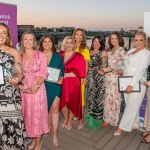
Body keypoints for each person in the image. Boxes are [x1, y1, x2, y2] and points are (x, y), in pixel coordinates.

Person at [114, 31, 150, 136]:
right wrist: (122, 70)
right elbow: (126, 65)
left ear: (145, 41)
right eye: (136, 40)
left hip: (137, 83)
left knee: (131, 106)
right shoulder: (131, 50)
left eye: (141, 40)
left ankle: (121, 127)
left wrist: (132, 84)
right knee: (131, 105)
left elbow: (140, 70)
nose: (138, 42)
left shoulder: (146, 53)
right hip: (126, 80)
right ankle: (135, 124)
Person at [20, 31, 49, 149]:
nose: (28, 41)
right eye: (25, 39)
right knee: (28, 116)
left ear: (34, 42)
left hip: (37, 91)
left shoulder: (40, 54)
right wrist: (20, 85)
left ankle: (38, 143)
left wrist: (36, 85)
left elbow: (44, 73)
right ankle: (33, 141)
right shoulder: (19, 56)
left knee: (37, 116)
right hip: (24, 92)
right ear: (22, 42)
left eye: (30, 39)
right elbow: (16, 74)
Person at [0, 23, 27, 149]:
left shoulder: (13, 52)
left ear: (7, 35)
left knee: (13, 128)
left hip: (10, 96)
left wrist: (17, 78)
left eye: (4, 32)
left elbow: (19, 72)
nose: (1, 35)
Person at [39, 35, 64, 147]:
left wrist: (61, 77)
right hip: (42, 86)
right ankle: (47, 127)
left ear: (53, 43)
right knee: (45, 109)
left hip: (55, 85)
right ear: (41, 44)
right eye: (45, 42)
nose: (47, 44)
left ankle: (55, 134)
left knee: (54, 109)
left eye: (49, 42)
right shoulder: (37, 55)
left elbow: (62, 69)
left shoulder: (57, 56)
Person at [59, 36, 86, 130]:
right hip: (61, 83)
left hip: (73, 83)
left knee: (72, 103)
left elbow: (81, 73)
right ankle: (66, 118)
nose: (69, 45)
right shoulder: (60, 54)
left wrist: (66, 75)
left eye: (71, 43)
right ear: (64, 44)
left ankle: (70, 121)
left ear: (73, 44)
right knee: (62, 103)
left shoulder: (79, 56)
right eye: (67, 43)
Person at [102, 31, 126, 127]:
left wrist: (111, 69)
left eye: (116, 38)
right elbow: (105, 65)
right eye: (112, 38)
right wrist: (104, 62)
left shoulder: (121, 50)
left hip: (116, 79)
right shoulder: (109, 51)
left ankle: (113, 120)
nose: (114, 40)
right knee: (108, 98)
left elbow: (124, 68)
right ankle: (107, 118)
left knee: (115, 99)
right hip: (108, 78)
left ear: (119, 39)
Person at [86, 36, 107, 129]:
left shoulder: (103, 53)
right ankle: (91, 117)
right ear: (92, 42)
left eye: (99, 42)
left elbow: (104, 66)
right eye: (95, 41)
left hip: (99, 80)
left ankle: (97, 120)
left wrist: (94, 68)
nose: (96, 43)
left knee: (98, 100)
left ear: (101, 43)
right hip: (90, 79)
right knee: (91, 98)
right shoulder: (88, 52)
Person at [72, 28, 90, 129]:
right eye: (77, 34)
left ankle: (81, 119)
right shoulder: (70, 47)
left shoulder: (85, 49)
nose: (78, 36)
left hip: (80, 77)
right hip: (70, 77)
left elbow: (86, 65)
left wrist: (85, 77)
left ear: (83, 37)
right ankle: (74, 114)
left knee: (81, 99)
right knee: (73, 97)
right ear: (74, 35)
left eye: (81, 35)